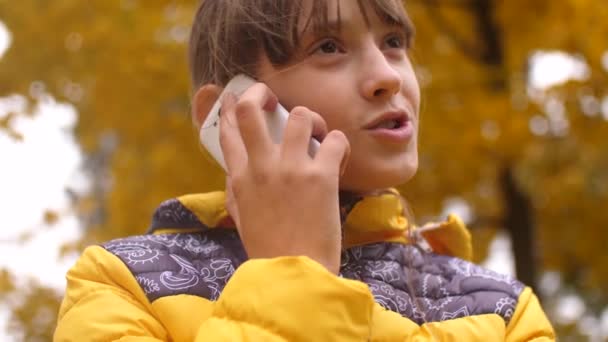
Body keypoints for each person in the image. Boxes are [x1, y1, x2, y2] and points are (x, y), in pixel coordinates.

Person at [54, 0, 555, 340]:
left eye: (394, 40)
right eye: (328, 48)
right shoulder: (121, 284)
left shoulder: (505, 312)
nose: (386, 75)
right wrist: (293, 271)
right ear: (230, 109)